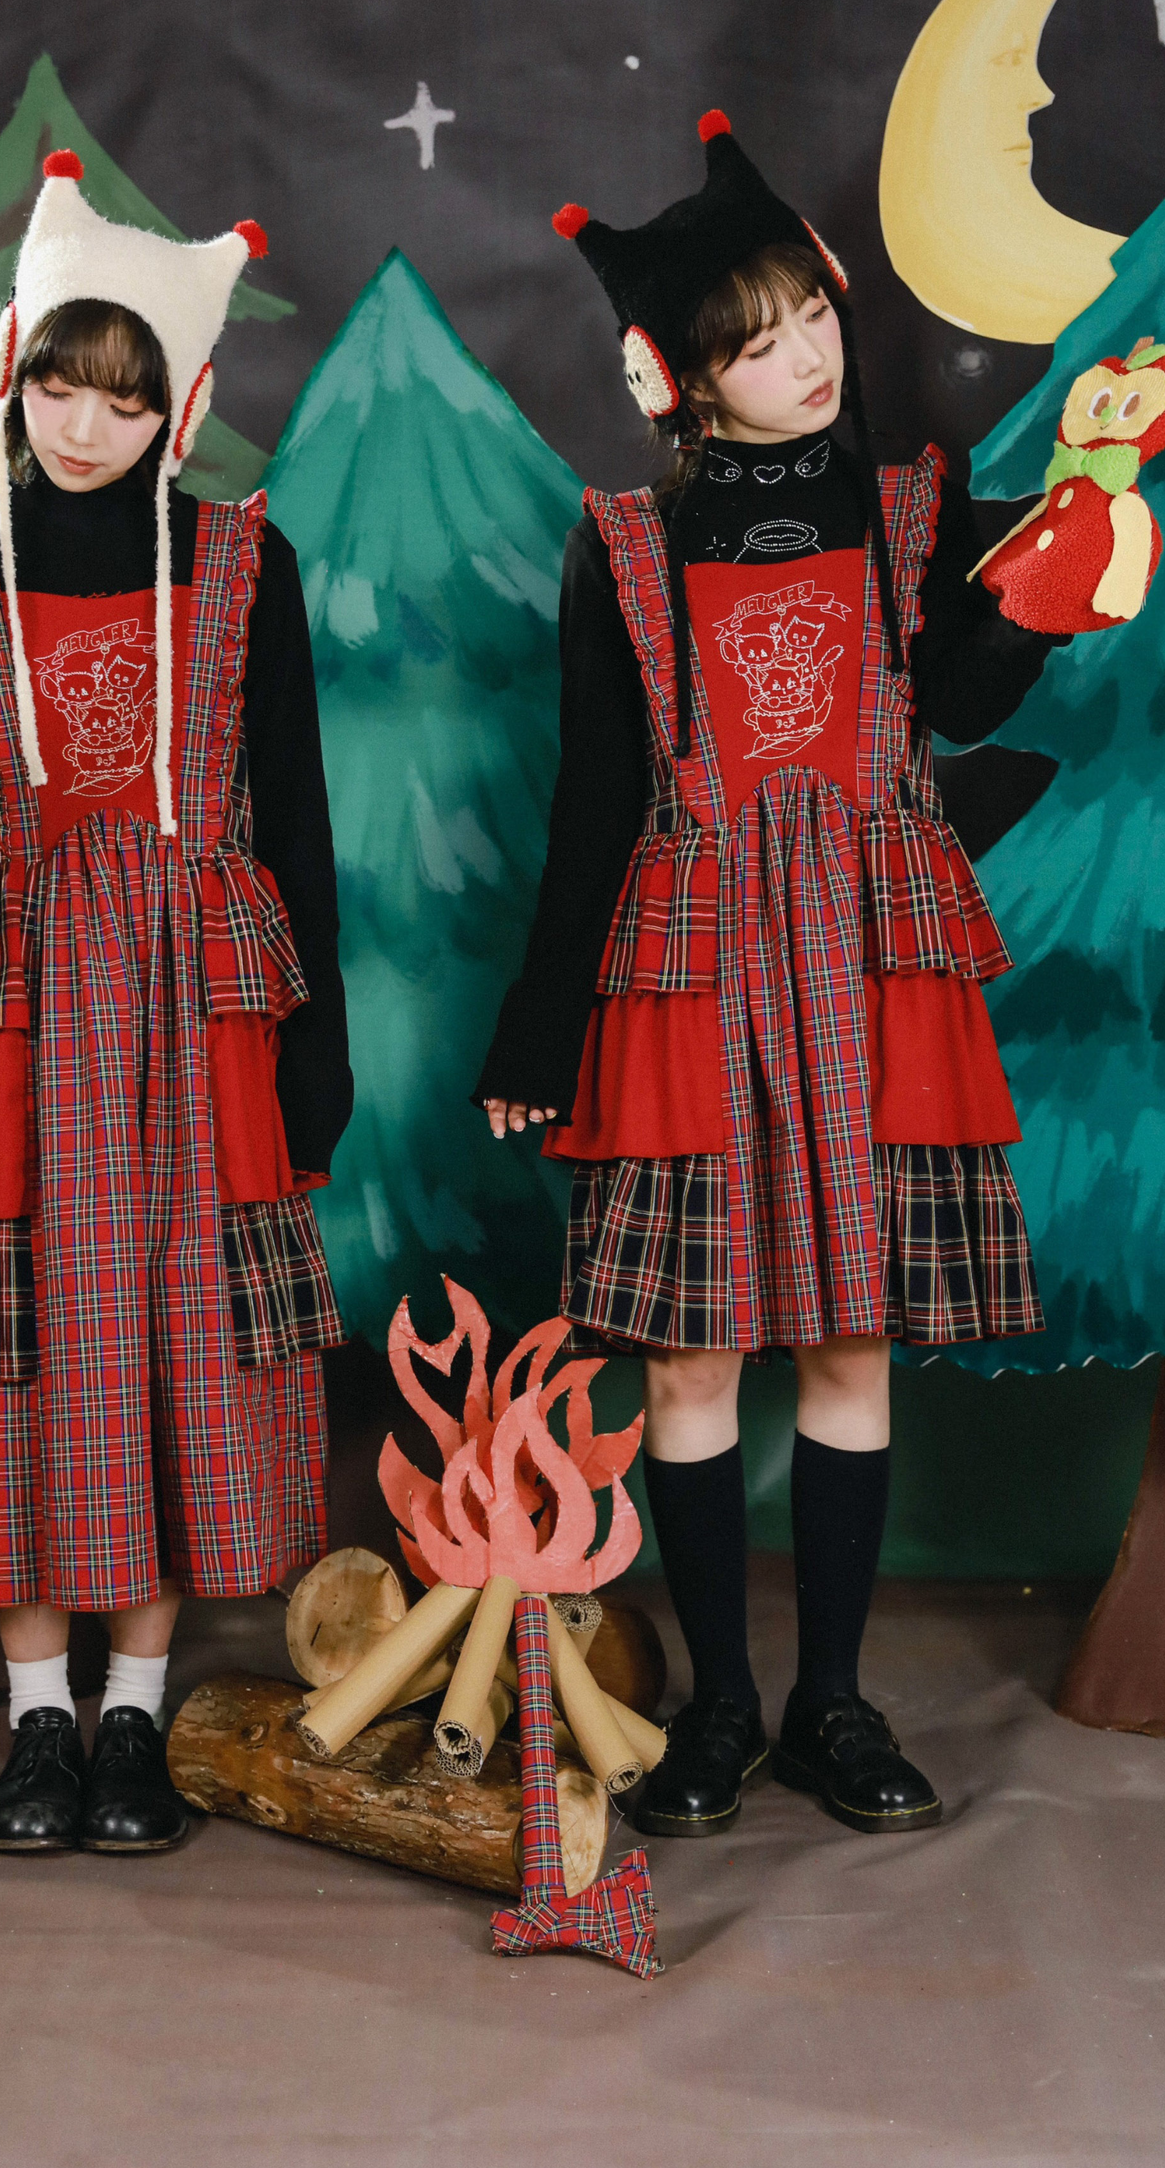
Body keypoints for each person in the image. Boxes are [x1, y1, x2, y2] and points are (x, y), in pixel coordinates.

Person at [475, 112, 1062, 1840]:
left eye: (812, 316)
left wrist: (1045, 591)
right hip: (691, 968)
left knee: (851, 1346)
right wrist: (538, 1030)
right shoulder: (625, 547)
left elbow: (966, 701)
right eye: (755, 344)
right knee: (690, 1360)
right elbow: (593, 806)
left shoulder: (907, 509)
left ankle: (834, 1705)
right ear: (680, 381)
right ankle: (724, 1707)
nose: (805, 358)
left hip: (873, 958)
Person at [0, 152, 351, 1854]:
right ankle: (36, 1725)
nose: (84, 426)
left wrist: (317, 1053)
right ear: (13, 368)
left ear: (177, 409)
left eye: (126, 399)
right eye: (61, 383)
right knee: (14, 1344)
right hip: (1, 1006)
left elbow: (296, 819)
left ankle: (135, 1713)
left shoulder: (239, 563)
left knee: (169, 1339)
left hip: (190, 1008)